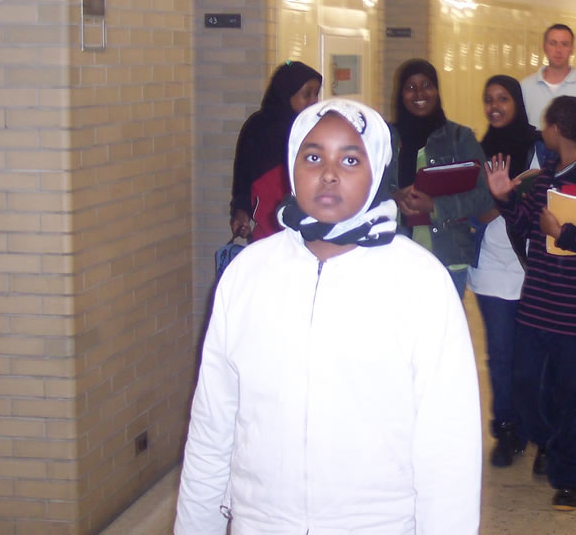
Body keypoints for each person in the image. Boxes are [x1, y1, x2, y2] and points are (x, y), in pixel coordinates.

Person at [176, 99, 482, 534]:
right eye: (313, 157)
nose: (329, 174)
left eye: (350, 159)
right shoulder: (248, 274)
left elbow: (448, 445)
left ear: (376, 171)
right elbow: (212, 425)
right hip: (262, 522)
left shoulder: (419, 282)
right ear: (292, 166)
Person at [484, 95, 576, 512]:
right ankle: (548, 441)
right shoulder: (545, 176)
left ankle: (571, 475)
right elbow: (525, 224)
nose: (542, 132)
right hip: (540, 302)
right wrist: (506, 198)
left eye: (546, 125)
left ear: (556, 129)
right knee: (527, 385)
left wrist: (564, 234)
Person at [467, 75, 543, 468]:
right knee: (500, 354)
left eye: (503, 99)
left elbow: (555, 200)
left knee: (533, 356)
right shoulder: (477, 152)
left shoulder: (540, 147)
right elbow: (471, 211)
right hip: (492, 266)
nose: (495, 106)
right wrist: (500, 200)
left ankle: (538, 429)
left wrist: (518, 196)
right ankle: (506, 428)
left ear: (516, 102)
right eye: (489, 99)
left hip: (533, 266)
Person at [388, 59, 493, 298]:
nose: (419, 93)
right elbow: (365, 187)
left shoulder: (460, 137)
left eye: (426, 85)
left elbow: (485, 195)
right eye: (410, 87)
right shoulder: (387, 137)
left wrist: (435, 206)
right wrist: (394, 196)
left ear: (437, 90)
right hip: (397, 256)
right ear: (400, 94)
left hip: (448, 257)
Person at [229, 60, 322, 241]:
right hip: (268, 232)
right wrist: (242, 212)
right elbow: (243, 176)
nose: (313, 101)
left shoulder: (316, 129)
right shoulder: (258, 127)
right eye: (306, 94)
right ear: (286, 93)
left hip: (309, 231)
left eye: (316, 94)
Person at [521, 23, 576, 151]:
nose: (558, 50)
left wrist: (571, 154)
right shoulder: (525, 86)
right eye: (553, 43)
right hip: (533, 161)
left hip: (573, 162)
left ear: (572, 48)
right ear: (544, 47)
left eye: (564, 44)